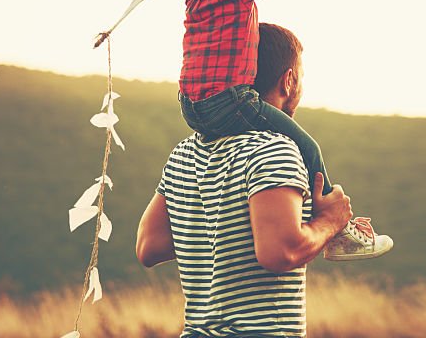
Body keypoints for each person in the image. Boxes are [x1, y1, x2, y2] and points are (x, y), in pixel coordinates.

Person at [137, 23, 393, 338]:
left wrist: (221, 228)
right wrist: (328, 223)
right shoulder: (274, 147)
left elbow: (149, 247)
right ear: (288, 81)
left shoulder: (184, 153)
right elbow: (279, 253)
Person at [178, 0, 389, 259]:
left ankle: (295, 212)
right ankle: (337, 230)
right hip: (227, 101)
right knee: (308, 147)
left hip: (191, 107)